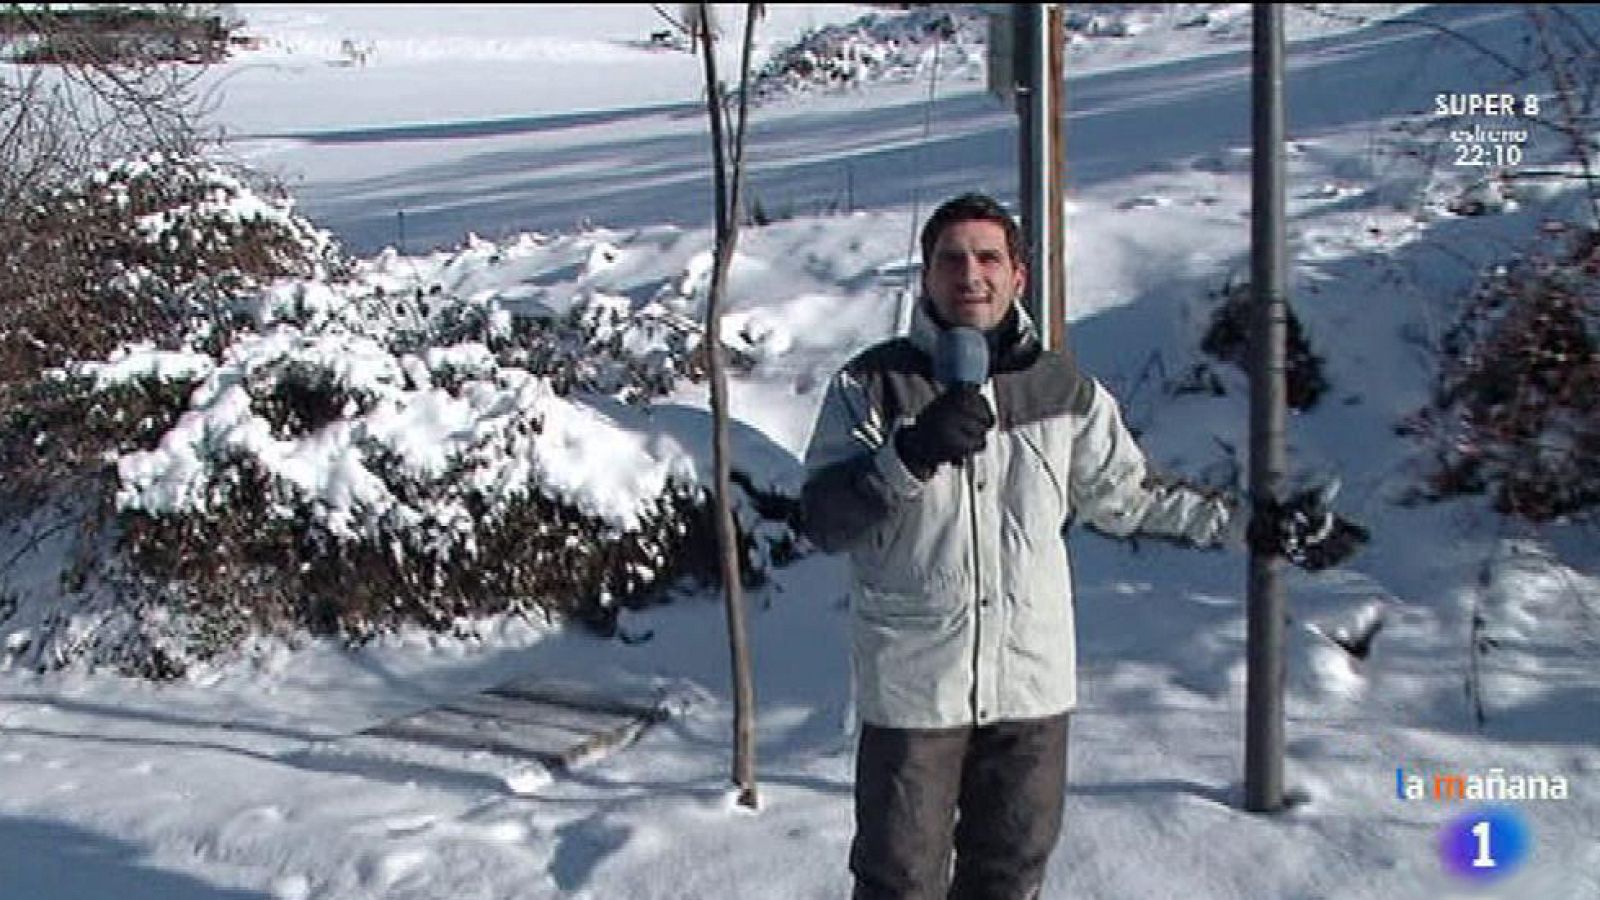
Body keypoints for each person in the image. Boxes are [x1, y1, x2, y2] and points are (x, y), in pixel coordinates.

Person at [799, 193, 1365, 900]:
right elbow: (822, 520)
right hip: (916, 690)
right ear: (926, 278)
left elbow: (1132, 497)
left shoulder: (1063, 389)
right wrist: (908, 454)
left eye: (988, 258)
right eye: (950, 259)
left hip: (1031, 689)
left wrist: (1251, 523)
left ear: (1018, 278)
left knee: (1010, 879)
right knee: (898, 883)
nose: (969, 274)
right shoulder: (870, 384)